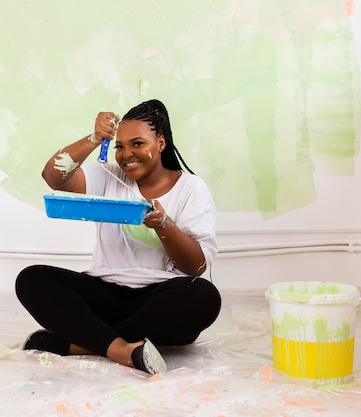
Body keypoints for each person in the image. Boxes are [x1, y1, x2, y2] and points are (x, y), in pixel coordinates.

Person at [15, 99, 221, 375]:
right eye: (119, 147)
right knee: (32, 279)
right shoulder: (109, 176)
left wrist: (164, 225)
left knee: (203, 296)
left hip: (157, 301)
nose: (126, 154)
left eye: (137, 144)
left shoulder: (191, 188)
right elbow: (54, 177)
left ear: (160, 143)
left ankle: (79, 343)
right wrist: (93, 138)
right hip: (104, 295)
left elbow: (195, 267)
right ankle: (123, 349)